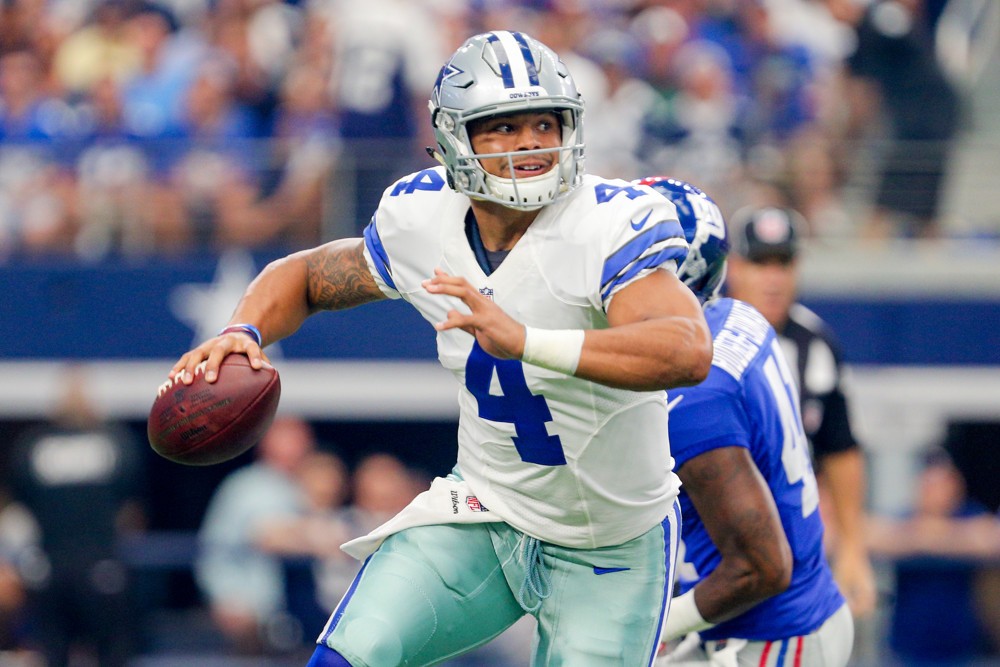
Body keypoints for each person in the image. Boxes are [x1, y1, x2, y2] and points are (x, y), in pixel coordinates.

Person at [170, 30, 713, 666]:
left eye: (544, 123)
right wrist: (243, 331)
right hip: (485, 511)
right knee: (347, 657)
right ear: (456, 137)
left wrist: (529, 342)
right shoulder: (421, 216)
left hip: (610, 544)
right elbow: (307, 276)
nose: (530, 144)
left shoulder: (610, 222)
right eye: (503, 128)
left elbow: (686, 349)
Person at [638, 177, 853, 666]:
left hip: (771, 638)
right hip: (776, 615)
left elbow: (760, 568)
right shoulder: (739, 316)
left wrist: (656, 626)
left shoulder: (694, 392)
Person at [724, 205, 878, 620]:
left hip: (790, 543)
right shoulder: (698, 330)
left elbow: (840, 449)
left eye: (784, 263)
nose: (773, 278)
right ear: (733, 265)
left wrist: (853, 549)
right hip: (705, 535)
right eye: (760, 263)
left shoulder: (817, 343)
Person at [9, 365, 147, 667]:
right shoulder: (112, 441)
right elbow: (128, 502)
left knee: (95, 649)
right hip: (72, 562)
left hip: (79, 562)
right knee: (80, 649)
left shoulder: (35, 444)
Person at [194, 415, 317, 654]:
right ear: (267, 444)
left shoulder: (297, 486)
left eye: (300, 441)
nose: (296, 448)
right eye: (288, 440)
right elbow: (270, 538)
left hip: (285, 614)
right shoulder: (253, 484)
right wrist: (323, 537)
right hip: (245, 606)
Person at [867, 448, 998, 664]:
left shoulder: (969, 514)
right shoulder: (905, 517)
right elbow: (870, 535)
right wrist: (923, 537)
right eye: (928, 485)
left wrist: (933, 536)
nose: (934, 491)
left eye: (941, 484)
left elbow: (989, 538)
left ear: (955, 485)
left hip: (960, 647)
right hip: (908, 647)